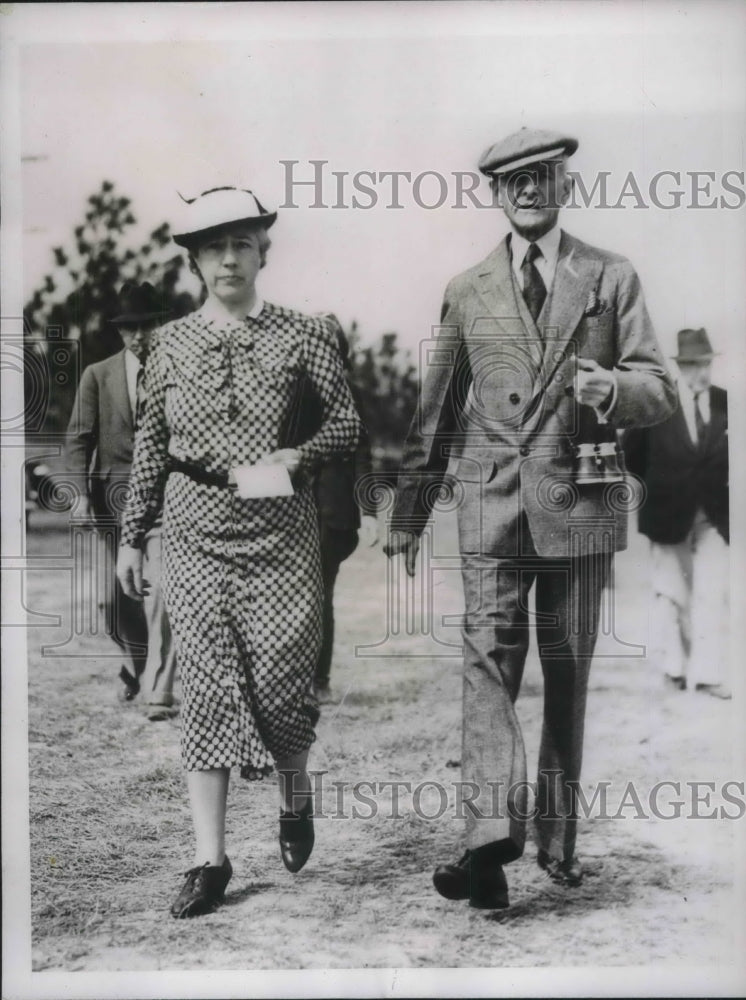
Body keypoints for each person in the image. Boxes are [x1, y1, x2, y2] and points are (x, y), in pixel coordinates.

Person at [386, 127, 676, 909]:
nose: (526, 190)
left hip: (581, 505)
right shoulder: (467, 287)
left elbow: (659, 385)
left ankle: (555, 839)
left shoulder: (611, 278)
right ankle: (488, 843)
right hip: (492, 509)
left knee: (569, 676)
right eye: (511, 180)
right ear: (494, 193)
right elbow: (438, 411)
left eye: (541, 176)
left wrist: (612, 389)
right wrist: (410, 512)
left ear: (564, 185)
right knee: (486, 669)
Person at [116, 187, 361, 918]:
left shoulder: (304, 333)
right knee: (205, 689)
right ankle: (208, 859)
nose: (228, 257)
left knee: (284, 687)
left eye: (242, 243)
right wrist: (133, 535)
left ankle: (294, 796)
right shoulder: (168, 344)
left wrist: (301, 452)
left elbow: (346, 423)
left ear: (263, 252)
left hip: (280, 529)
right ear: (193, 259)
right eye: (213, 246)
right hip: (192, 529)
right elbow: (152, 447)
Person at [66, 281, 178, 720]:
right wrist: (78, 494)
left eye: (148, 326)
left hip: (169, 501)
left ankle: (159, 689)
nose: (140, 337)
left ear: (161, 325)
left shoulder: (180, 373)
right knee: (116, 604)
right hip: (112, 503)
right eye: (130, 329)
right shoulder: (98, 374)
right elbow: (79, 438)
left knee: (164, 594)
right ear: (119, 332)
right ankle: (137, 664)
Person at [623, 328, 730, 698]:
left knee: (712, 592)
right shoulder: (658, 404)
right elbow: (631, 457)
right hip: (667, 516)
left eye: (705, 364)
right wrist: (653, 496)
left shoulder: (725, 403)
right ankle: (675, 669)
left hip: (715, 517)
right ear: (681, 367)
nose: (702, 373)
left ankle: (708, 674)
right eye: (694, 365)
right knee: (673, 593)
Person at [312, 315, 379, 703]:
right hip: (293, 512)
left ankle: (318, 680)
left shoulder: (349, 395)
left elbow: (362, 456)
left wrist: (369, 512)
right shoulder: (289, 391)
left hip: (335, 516)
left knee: (318, 595)